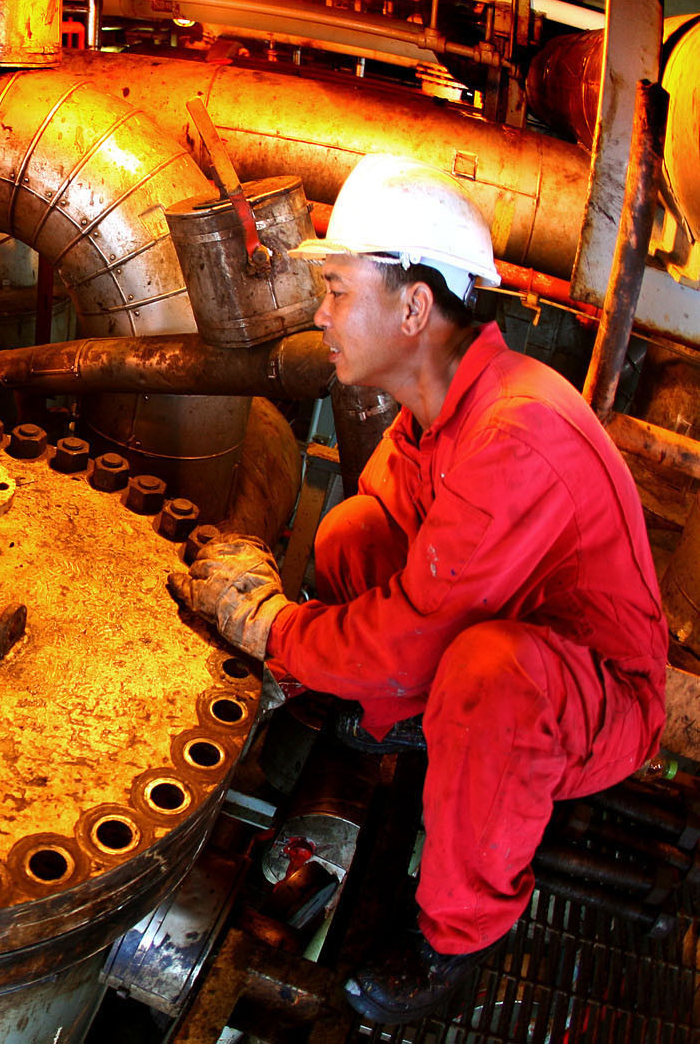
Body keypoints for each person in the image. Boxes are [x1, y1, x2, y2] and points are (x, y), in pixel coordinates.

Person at [168, 154, 667, 1025]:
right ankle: (394, 722)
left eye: (335, 291)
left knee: (484, 672)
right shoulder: (441, 410)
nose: (320, 315)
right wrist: (291, 659)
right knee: (350, 533)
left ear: (412, 307)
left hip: (588, 697)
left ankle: (456, 938)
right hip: (502, 639)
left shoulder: (515, 433)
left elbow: (412, 633)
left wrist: (270, 626)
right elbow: (387, 553)